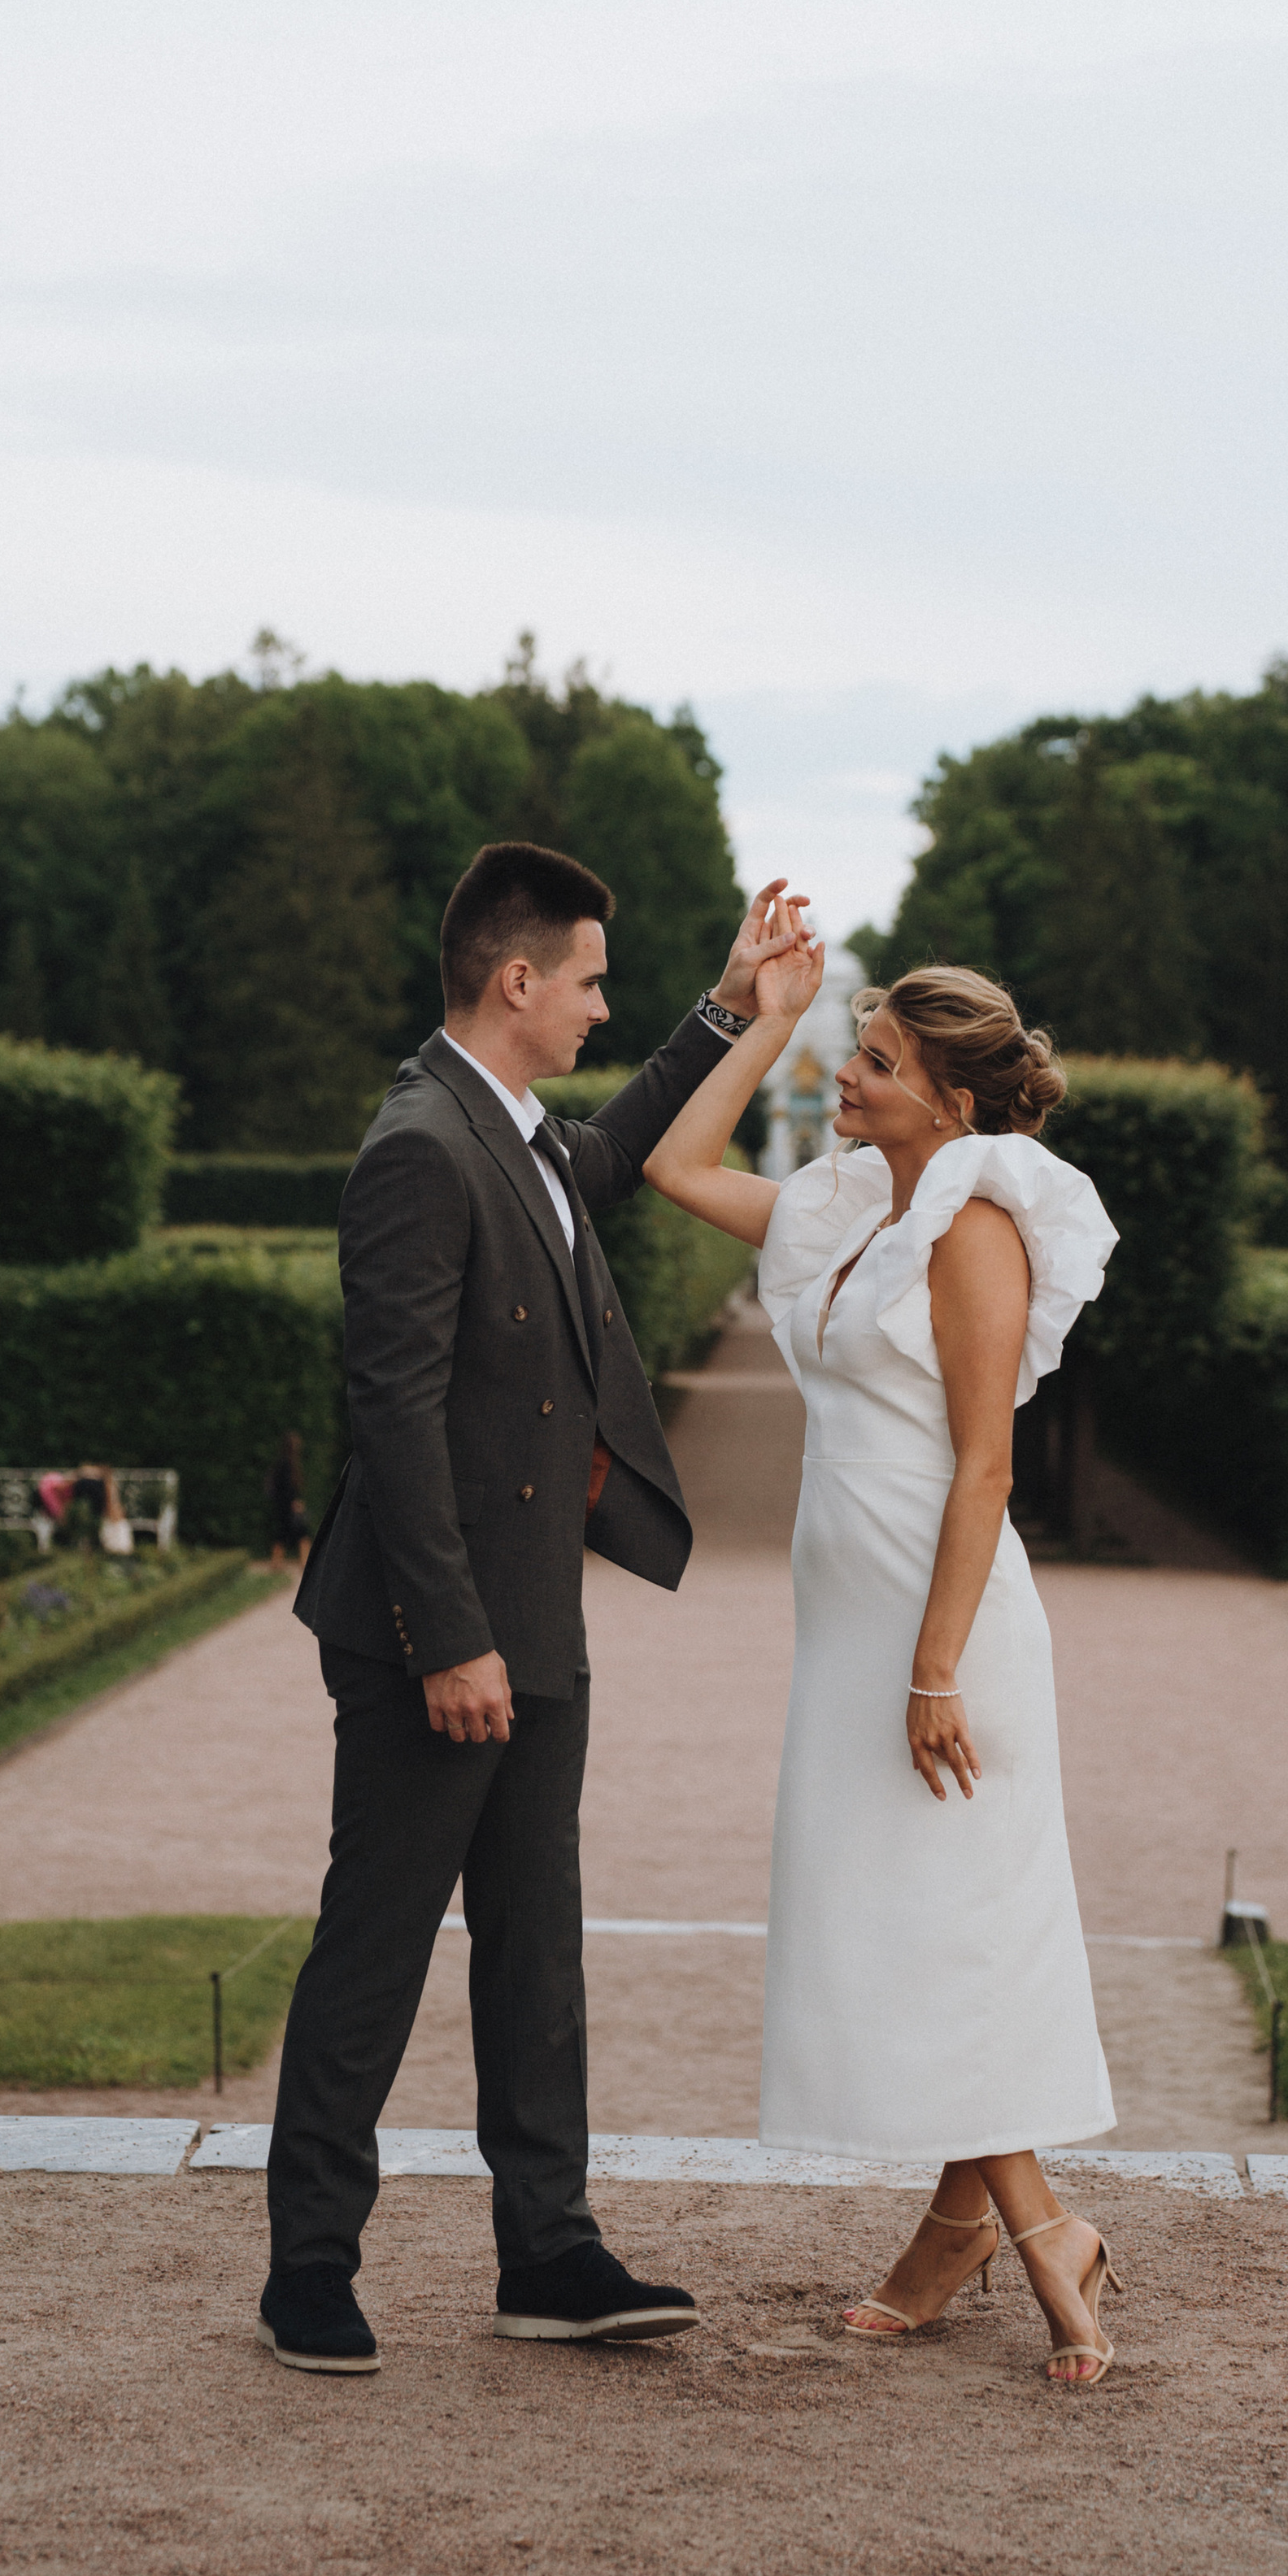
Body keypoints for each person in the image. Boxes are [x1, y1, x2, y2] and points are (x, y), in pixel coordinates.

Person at [259, 843, 809, 2375]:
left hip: (535, 1619)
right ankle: (308, 2267)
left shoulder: (517, 1133)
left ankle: (549, 2251)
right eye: (588, 980)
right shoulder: (421, 1147)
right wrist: (449, 1638)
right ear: (516, 981)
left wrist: (727, 1006)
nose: (598, 1006)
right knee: (373, 1951)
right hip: (432, 1631)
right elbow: (393, 1407)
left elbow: (613, 1155)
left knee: (536, 1950)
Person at [643, 941, 1125, 2384]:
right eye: (848, 1055)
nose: (843, 1080)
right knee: (915, 1925)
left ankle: (1037, 2235)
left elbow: (986, 1467)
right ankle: (961, 2231)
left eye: (874, 1065)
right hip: (854, 1639)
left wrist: (933, 1666)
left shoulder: (976, 1232)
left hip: (946, 1636)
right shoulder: (847, 1210)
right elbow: (673, 1165)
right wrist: (762, 1016)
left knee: (951, 1929)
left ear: (952, 1101)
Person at [264, 1432, 310, 1573]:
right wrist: (294, 1503)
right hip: (288, 1506)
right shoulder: (287, 1464)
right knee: (302, 1533)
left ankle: (277, 1563)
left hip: (283, 1506)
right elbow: (287, 1488)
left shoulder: (283, 1463)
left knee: (283, 1534)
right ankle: (305, 1563)